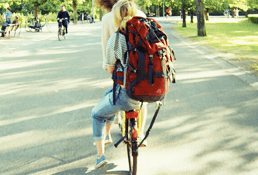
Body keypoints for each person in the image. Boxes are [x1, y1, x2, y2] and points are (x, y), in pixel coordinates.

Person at [91, 0, 145, 169]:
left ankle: (100, 156)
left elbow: (110, 68)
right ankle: (140, 132)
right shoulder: (143, 20)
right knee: (114, 94)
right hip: (147, 88)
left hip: (124, 91)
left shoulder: (115, 38)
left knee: (98, 112)